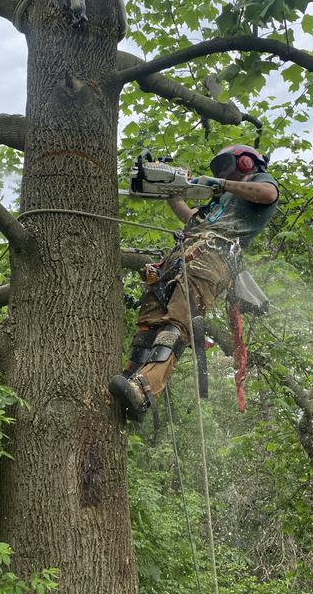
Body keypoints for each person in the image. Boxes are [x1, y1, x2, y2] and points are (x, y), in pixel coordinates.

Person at [108, 144, 279, 421]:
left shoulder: (260, 182)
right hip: (183, 253)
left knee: (177, 321)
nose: (222, 172)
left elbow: (269, 195)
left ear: (247, 163)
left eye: (227, 165)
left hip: (214, 255)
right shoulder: (218, 202)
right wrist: (174, 194)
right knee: (149, 323)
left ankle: (144, 389)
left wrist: (223, 183)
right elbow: (193, 221)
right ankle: (131, 380)